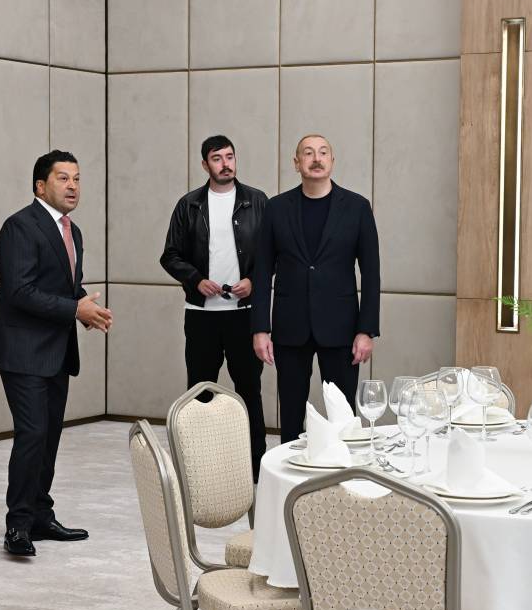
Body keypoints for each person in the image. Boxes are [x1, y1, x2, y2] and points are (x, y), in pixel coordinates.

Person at [0, 150, 112, 558]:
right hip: (22, 350)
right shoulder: (20, 226)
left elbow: (62, 287)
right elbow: (19, 291)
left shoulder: (73, 231)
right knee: (33, 433)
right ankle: (17, 526)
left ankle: (41, 515)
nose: (73, 186)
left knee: (49, 435)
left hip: (56, 350)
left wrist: (85, 309)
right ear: (40, 186)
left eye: (77, 178)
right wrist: (75, 309)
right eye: (63, 178)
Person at [251, 134, 380, 442]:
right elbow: (262, 272)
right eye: (308, 153)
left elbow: (372, 274)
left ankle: (344, 470)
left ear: (332, 161)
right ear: (297, 163)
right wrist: (260, 329)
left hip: (341, 327)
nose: (316, 158)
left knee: (343, 417)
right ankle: (289, 472)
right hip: (290, 326)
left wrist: (366, 330)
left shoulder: (357, 207)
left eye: (323, 152)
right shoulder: (276, 208)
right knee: (291, 416)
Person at [159, 135, 269, 477]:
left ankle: (255, 466)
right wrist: (196, 280)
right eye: (217, 158)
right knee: (200, 392)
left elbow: (273, 253)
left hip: (244, 315)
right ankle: (199, 468)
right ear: (205, 164)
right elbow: (170, 255)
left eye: (230, 157)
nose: (225, 164)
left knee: (249, 390)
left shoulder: (256, 201)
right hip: (201, 316)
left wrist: (253, 281)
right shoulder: (189, 205)